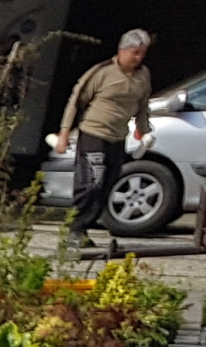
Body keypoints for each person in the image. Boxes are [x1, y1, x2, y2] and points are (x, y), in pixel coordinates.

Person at [58, 29, 155, 252]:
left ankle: (84, 228)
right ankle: (73, 229)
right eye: (135, 52)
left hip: (118, 137)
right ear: (122, 50)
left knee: (107, 184)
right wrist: (64, 134)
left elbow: (143, 106)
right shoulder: (102, 72)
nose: (139, 57)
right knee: (91, 182)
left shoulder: (143, 75)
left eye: (142, 53)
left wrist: (144, 132)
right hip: (94, 133)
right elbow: (76, 101)